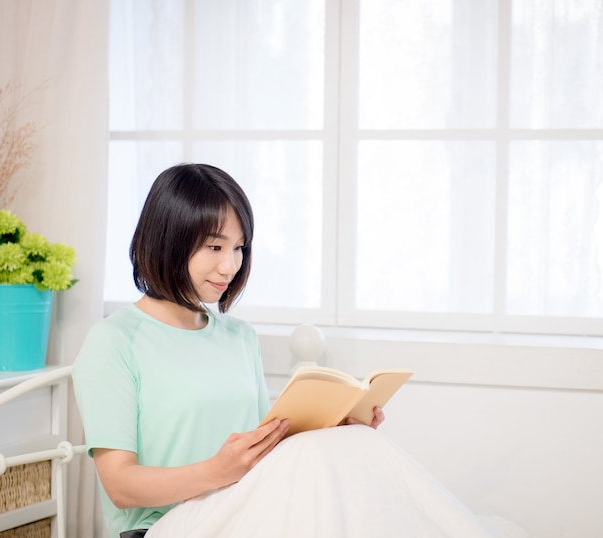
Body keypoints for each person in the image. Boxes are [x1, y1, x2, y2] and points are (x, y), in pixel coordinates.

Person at [73, 163, 496, 538]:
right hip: (164, 525)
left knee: (357, 448)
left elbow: (266, 450)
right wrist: (216, 472)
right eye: (215, 247)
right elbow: (120, 486)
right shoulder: (114, 341)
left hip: (244, 507)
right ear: (168, 240)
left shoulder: (238, 335)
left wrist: (335, 430)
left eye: (239, 248)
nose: (230, 265)